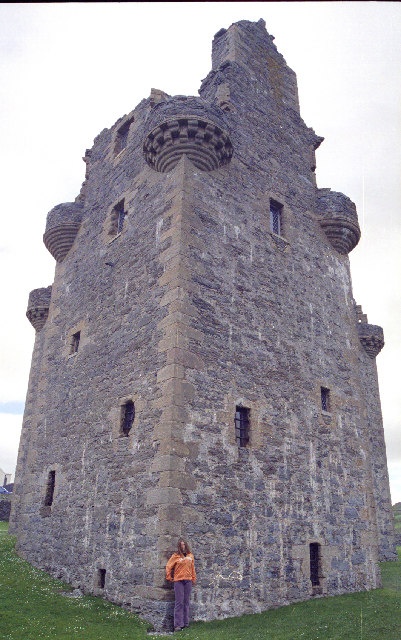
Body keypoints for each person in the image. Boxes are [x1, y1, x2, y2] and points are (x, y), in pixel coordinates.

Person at [165, 538, 197, 632]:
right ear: (179, 546)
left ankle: (186, 623)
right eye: (181, 545)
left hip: (188, 581)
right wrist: (169, 577)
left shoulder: (190, 556)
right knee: (179, 602)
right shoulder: (175, 556)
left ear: (186, 545)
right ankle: (178, 625)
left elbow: (192, 568)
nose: (183, 546)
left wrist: (193, 578)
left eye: (184, 545)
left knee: (186, 602)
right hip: (178, 581)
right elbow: (168, 566)